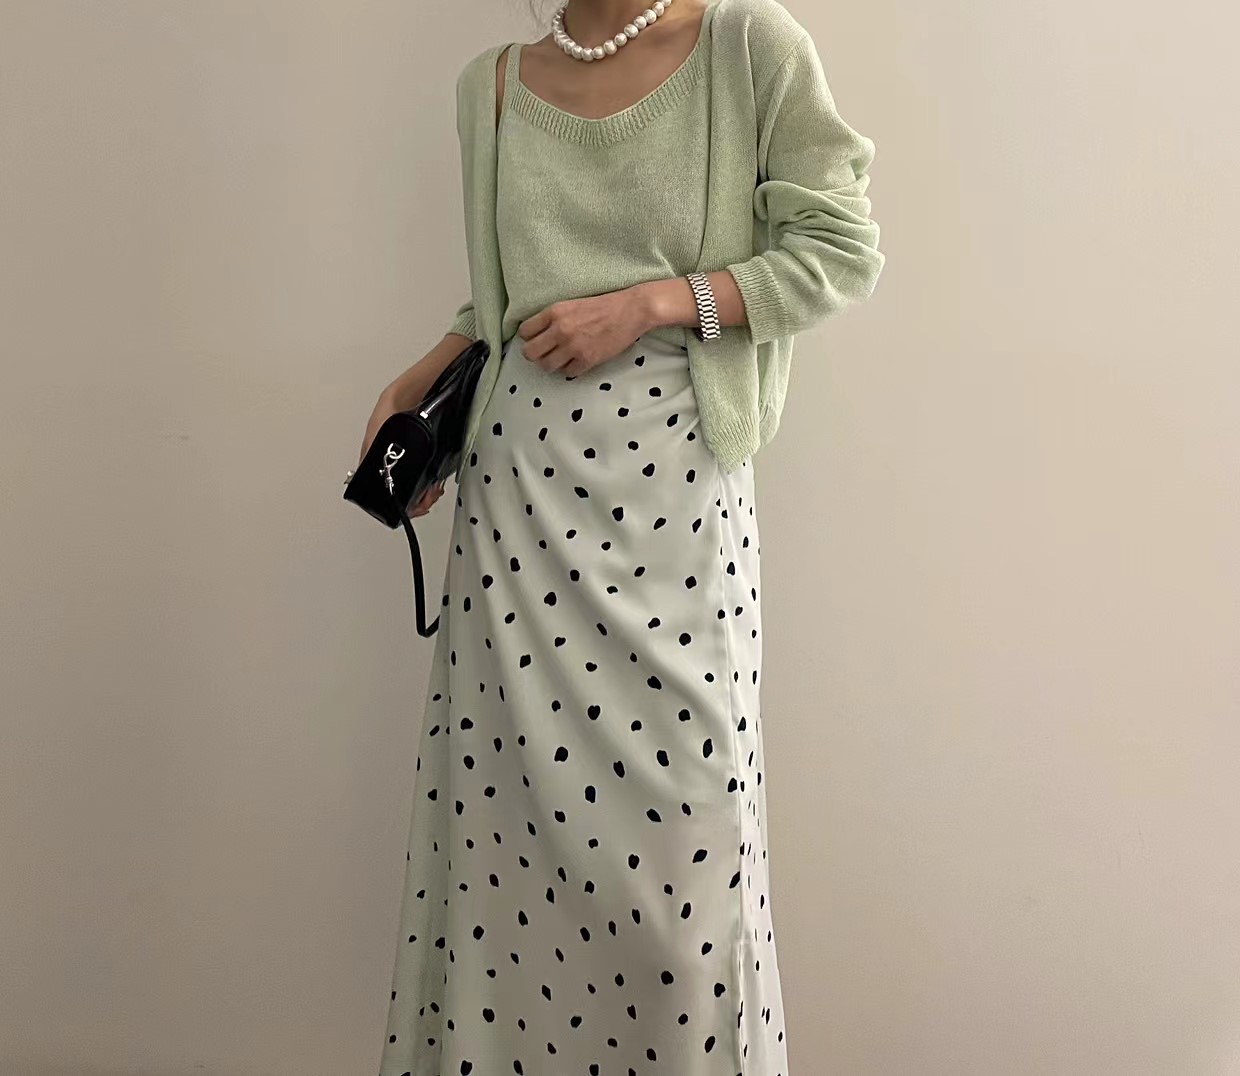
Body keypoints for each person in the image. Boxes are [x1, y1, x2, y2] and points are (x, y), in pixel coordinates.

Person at [369, 0, 884, 1071]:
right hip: (517, 518)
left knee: (685, 887)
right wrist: (415, 387)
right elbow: (501, 301)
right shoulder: (492, 85)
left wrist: (654, 303)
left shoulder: (749, 46)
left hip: (678, 513)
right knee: (506, 864)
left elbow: (838, 251)